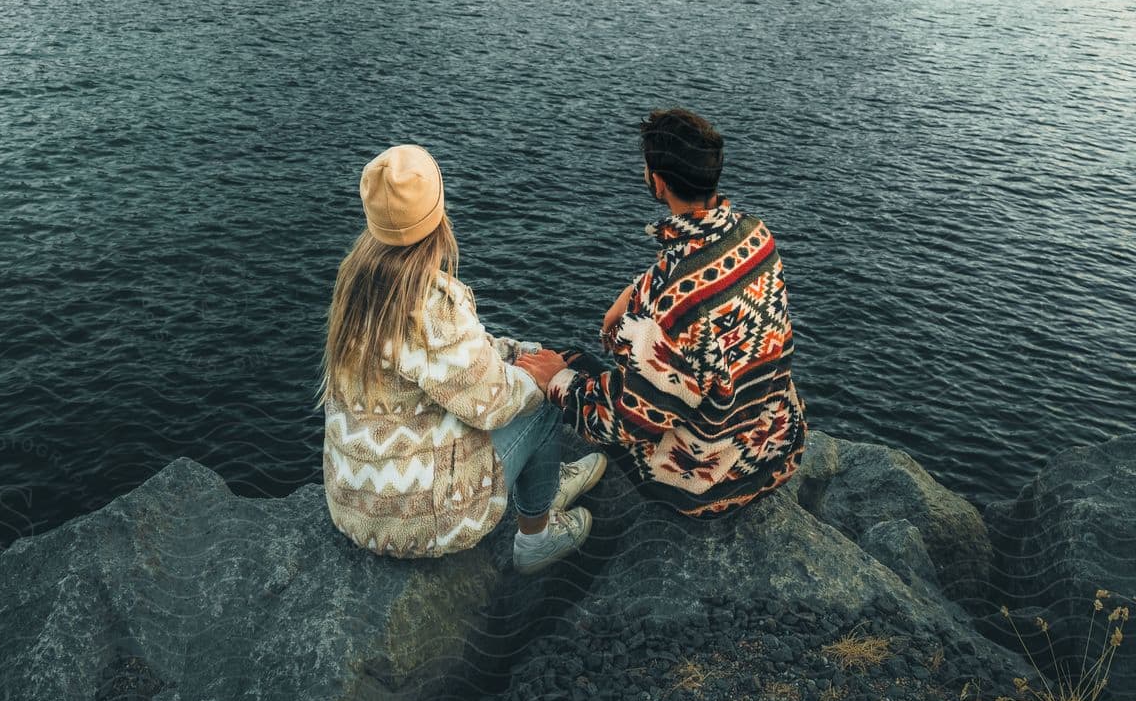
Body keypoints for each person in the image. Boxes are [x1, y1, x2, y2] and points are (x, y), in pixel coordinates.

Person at [318, 143, 606, 572]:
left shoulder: (355, 278)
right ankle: (536, 536)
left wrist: (516, 353)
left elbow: (448, 368)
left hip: (355, 503)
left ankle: (540, 481)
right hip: (419, 520)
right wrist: (545, 373)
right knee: (543, 400)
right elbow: (492, 403)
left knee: (529, 375)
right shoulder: (431, 304)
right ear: (437, 212)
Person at [517, 109, 806, 514]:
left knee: (560, 365)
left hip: (711, 483)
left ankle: (541, 504)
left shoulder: (669, 305)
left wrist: (558, 383)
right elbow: (698, 269)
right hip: (777, 446)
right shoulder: (756, 235)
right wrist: (635, 290)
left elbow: (628, 420)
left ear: (657, 182)